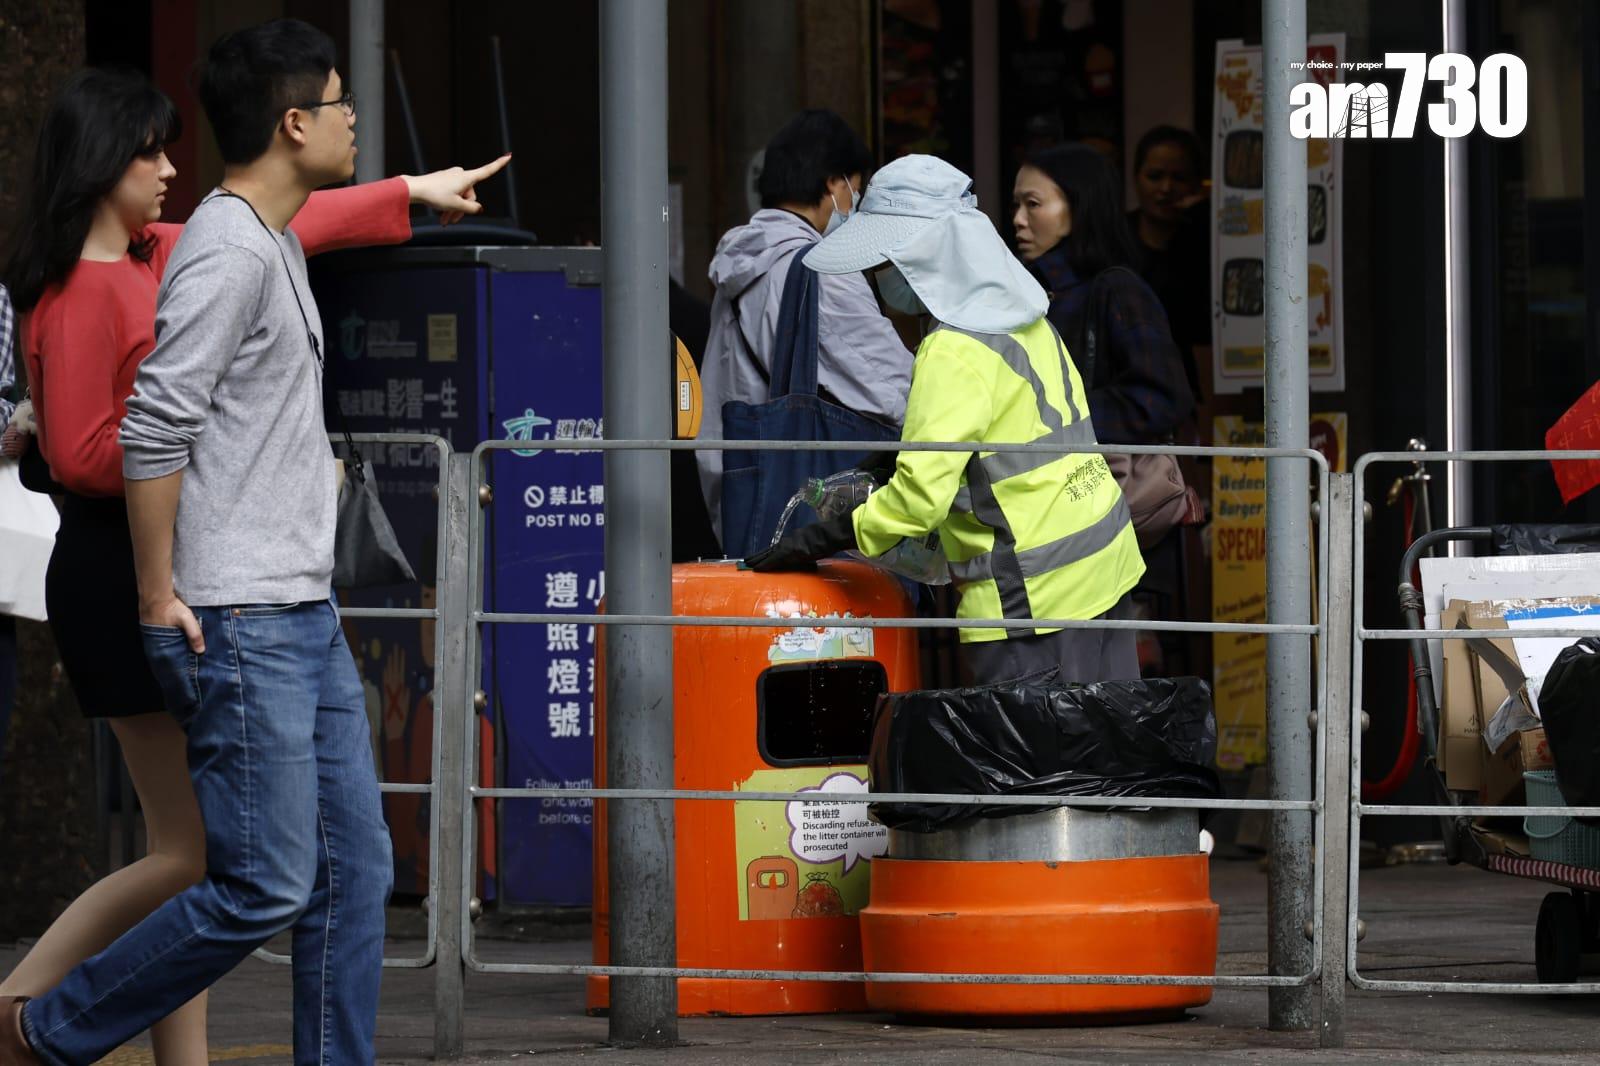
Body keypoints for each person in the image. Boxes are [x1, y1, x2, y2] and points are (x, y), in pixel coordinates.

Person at [0, 28, 508, 1065]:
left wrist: (412, 190)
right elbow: (144, 431)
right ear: (292, 123)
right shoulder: (217, 255)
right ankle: (44, 1029)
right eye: (337, 100)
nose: (351, 114)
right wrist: (157, 594)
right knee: (254, 878)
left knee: (347, 867)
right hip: (233, 611)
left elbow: (311, 216)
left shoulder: (244, 237)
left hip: (294, 604)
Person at [748, 155, 1145, 686]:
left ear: (922, 259)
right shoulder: (1021, 311)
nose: (878, 277)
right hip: (1106, 567)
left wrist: (827, 536)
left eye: (885, 261)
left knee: (1030, 767)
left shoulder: (951, 347)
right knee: (1104, 758)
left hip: (1030, 601)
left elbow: (917, 506)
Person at [696, 109, 914, 548]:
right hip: (819, 524)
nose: (854, 205)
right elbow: (900, 392)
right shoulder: (822, 269)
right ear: (834, 184)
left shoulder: (737, 268)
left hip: (749, 501)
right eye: (857, 190)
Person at [1012, 143, 1194, 445]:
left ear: (1079, 207)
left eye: (1032, 204)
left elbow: (1161, 399)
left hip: (1107, 484)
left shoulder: (1117, 290)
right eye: (1015, 205)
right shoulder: (1029, 291)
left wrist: (1050, 418)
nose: (1019, 218)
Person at [1127, 125, 1209, 397]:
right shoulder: (1115, 240)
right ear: (1136, 178)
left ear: (1198, 184)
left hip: (1195, 394)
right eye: (1155, 176)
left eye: (1179, 178)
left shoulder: (1206, 244)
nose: (1166, 188)